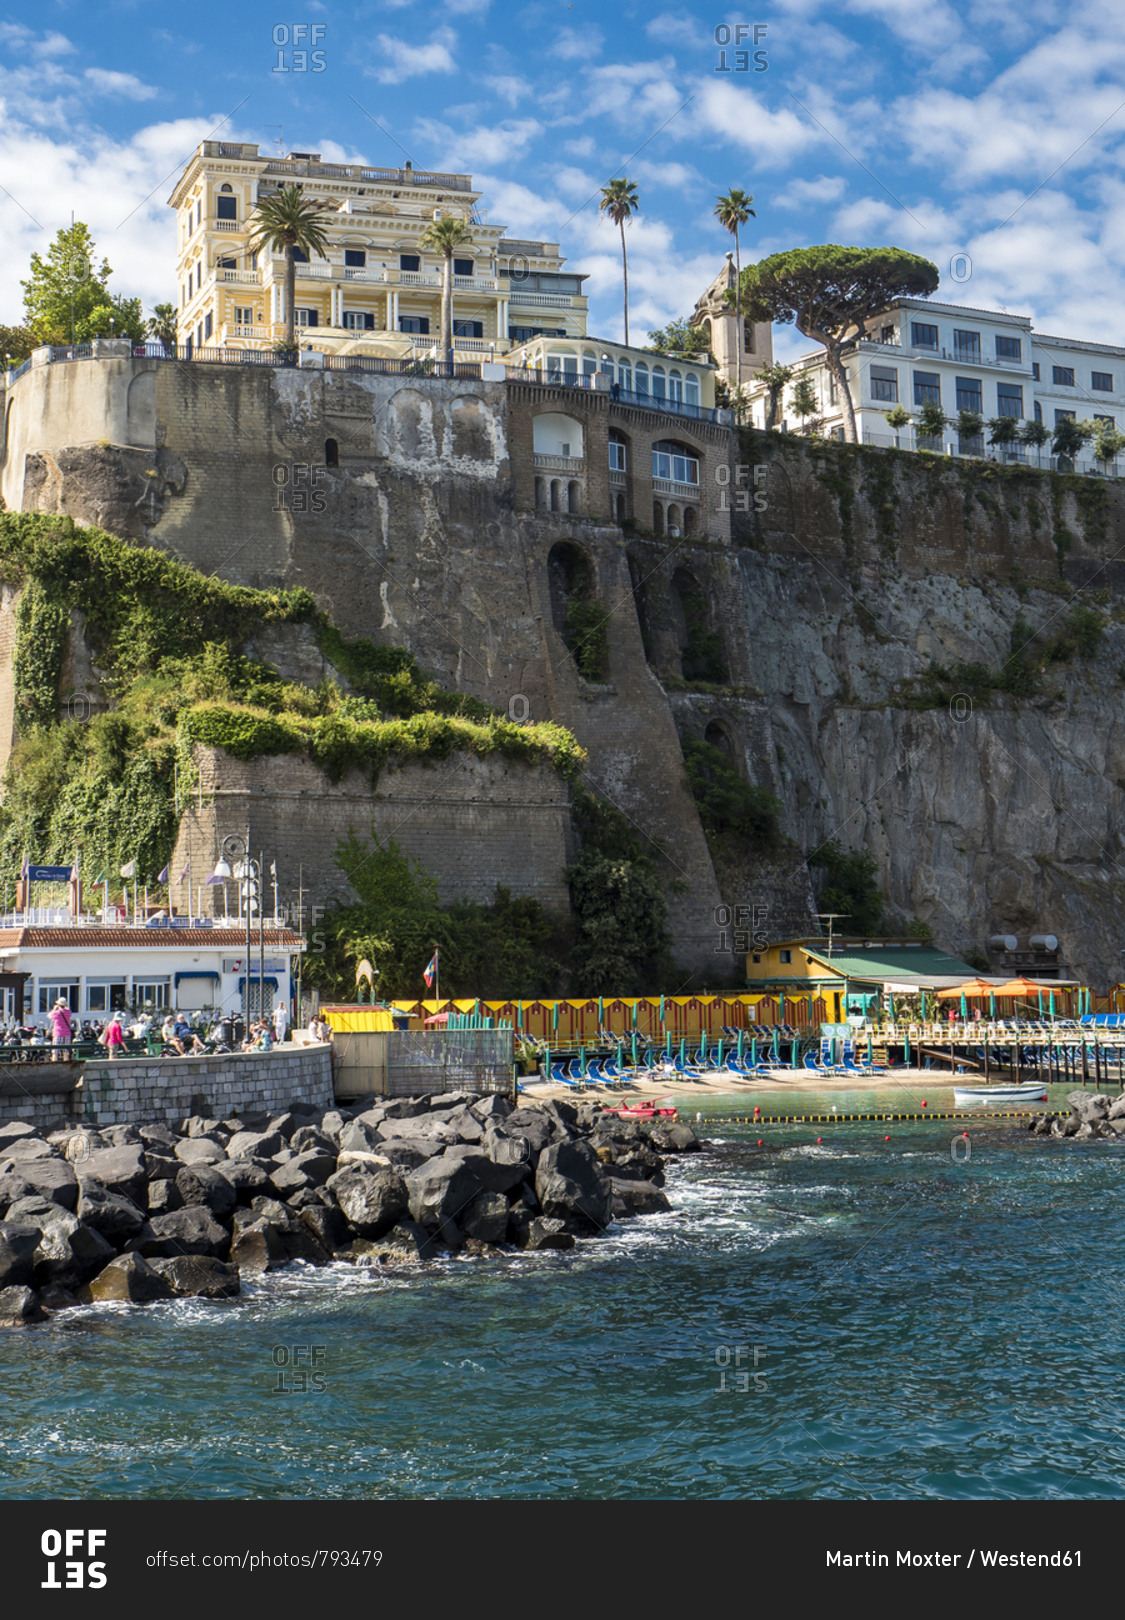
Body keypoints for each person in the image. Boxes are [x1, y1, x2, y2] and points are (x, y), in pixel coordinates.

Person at [49, 997, 73, 1062]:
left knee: (55, 1052)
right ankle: (66, 1064)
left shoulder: (57, 1013)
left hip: (58, 1033)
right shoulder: (68, 1012)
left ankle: (54, 1065)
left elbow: (49, 1016)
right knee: (65, 1051)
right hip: (67, 1033)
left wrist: (54, 1009)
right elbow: (69, 1011)